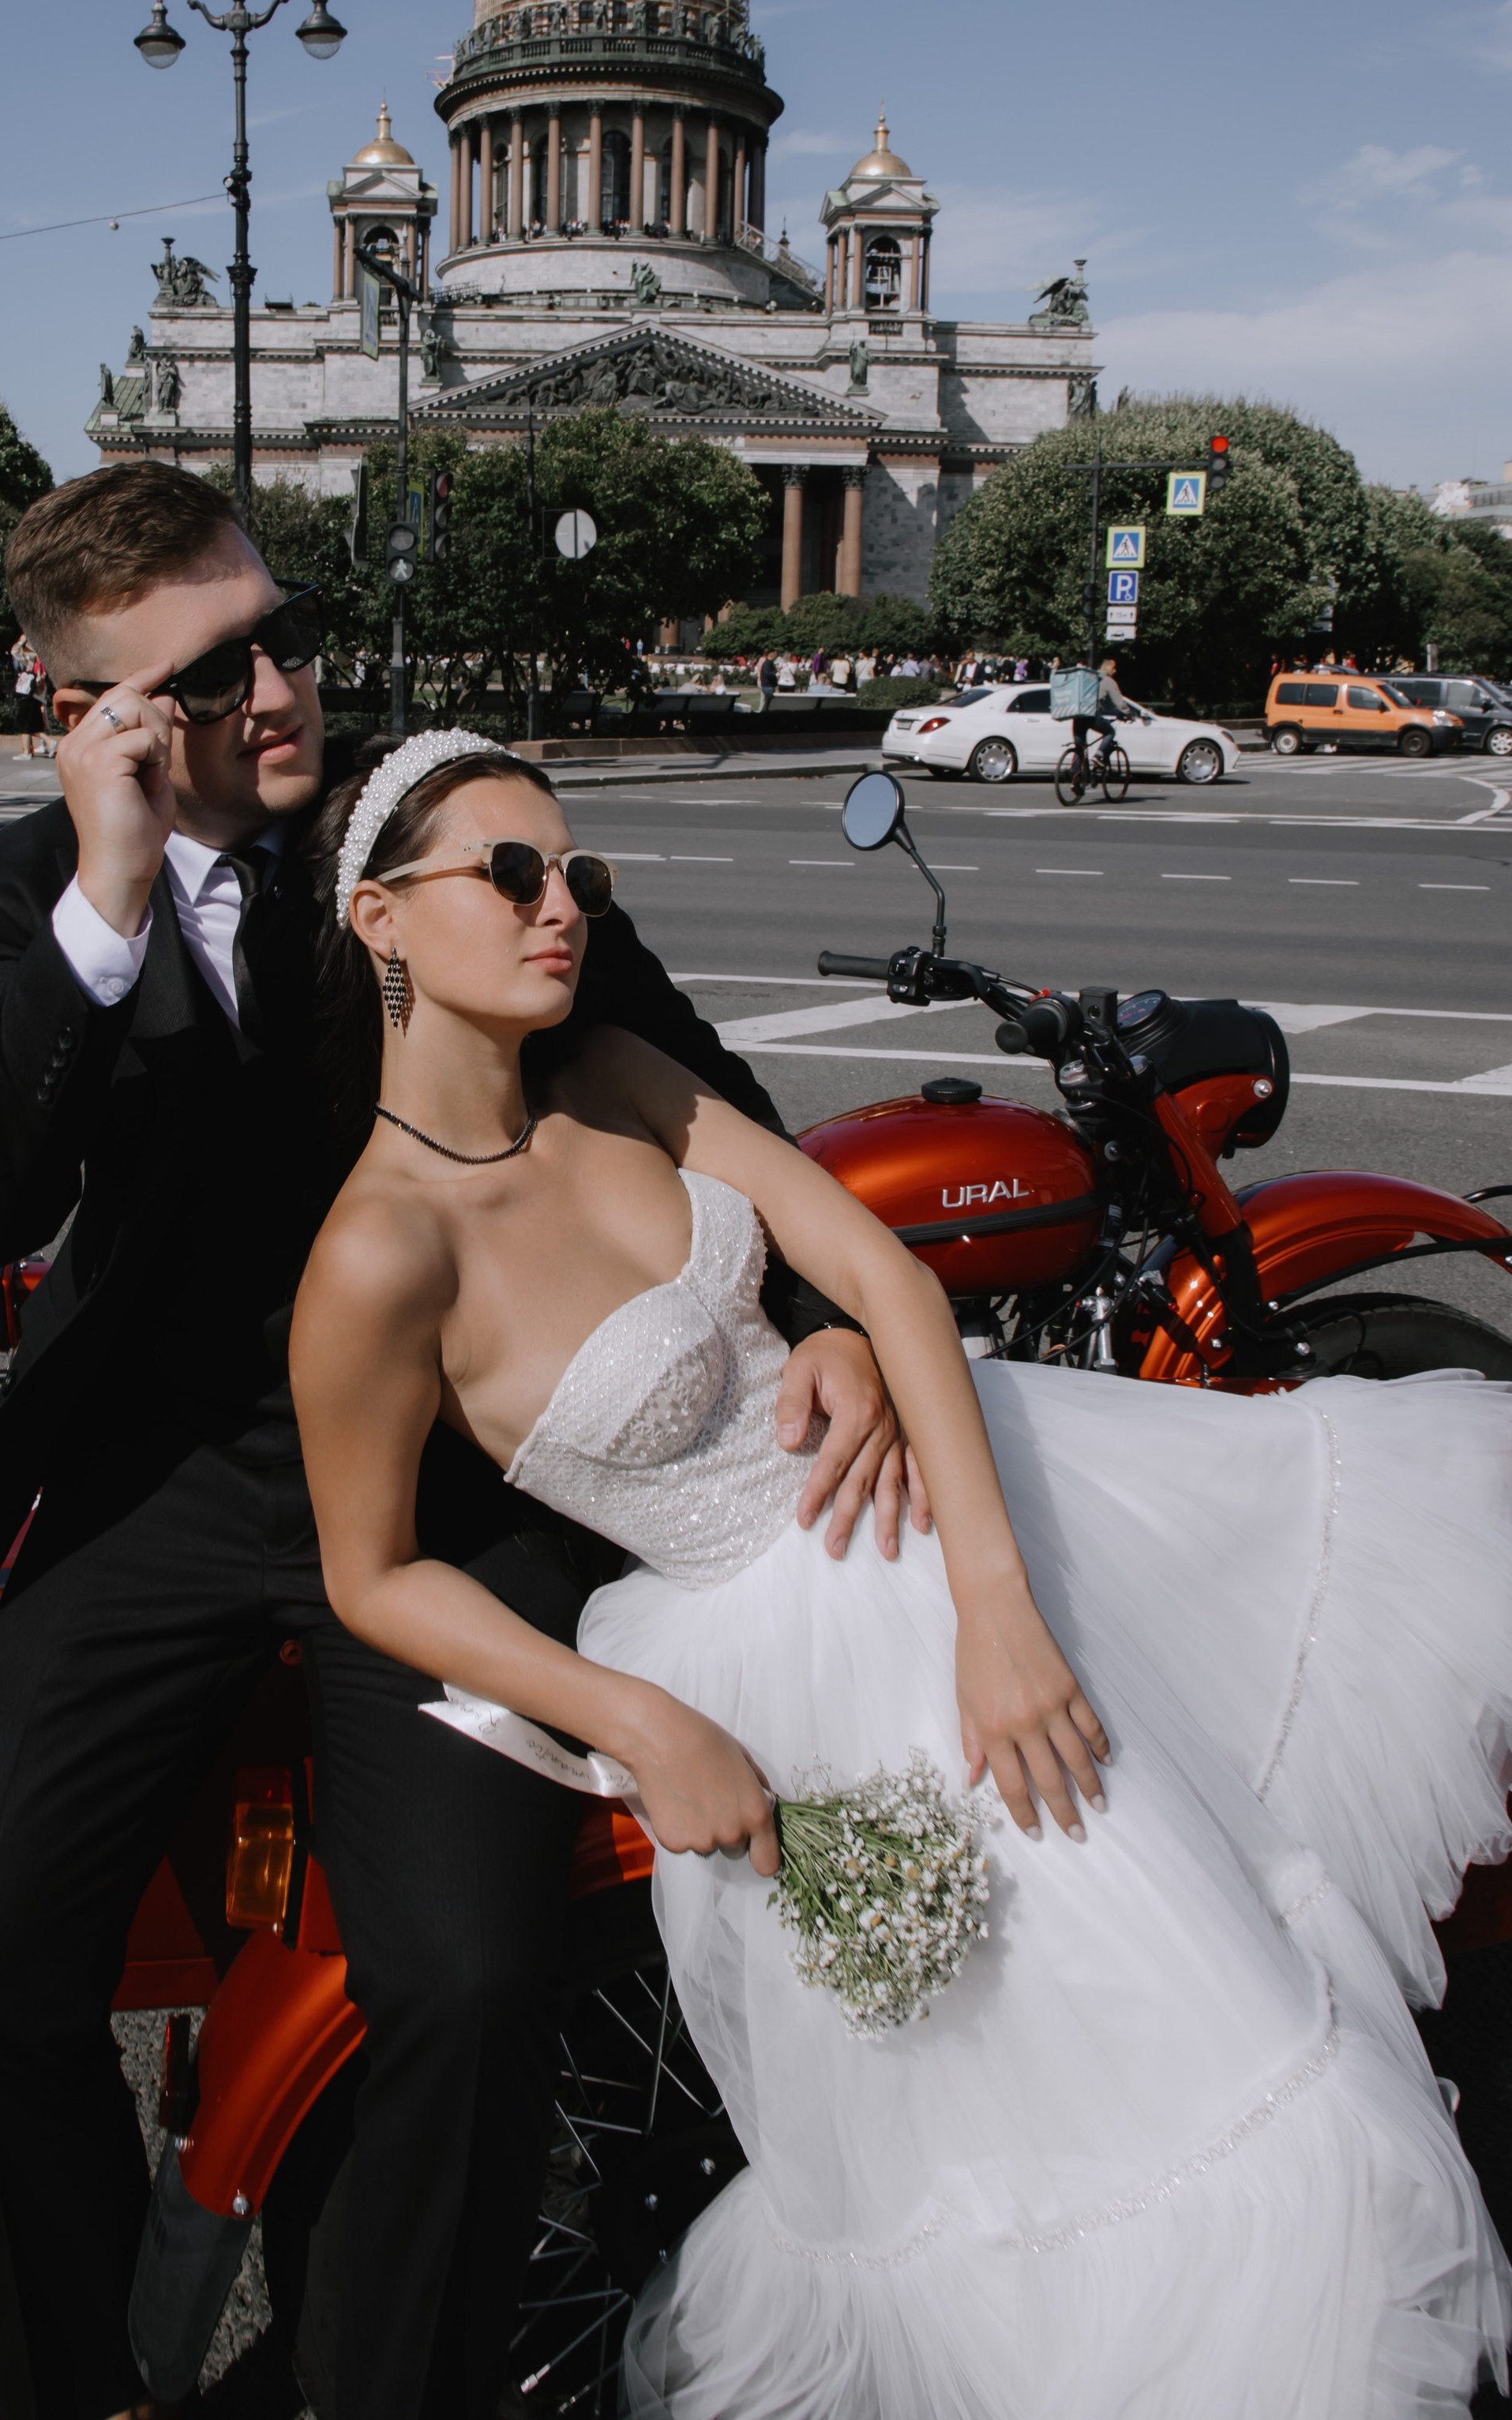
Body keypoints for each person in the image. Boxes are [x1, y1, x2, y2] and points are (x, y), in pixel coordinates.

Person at [292, 735, 1512, 2420]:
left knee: (1202, 1930)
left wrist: (992, 1599)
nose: (558, 906)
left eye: (578, 873)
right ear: (379, 920)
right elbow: (370, 1572)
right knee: (1079, 2050)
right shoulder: (378, 1248)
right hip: (769, 1641)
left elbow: (873, 1268)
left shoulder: (618, 1078)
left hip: (970, 1508)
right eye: (509, 874)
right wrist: (635, 1720)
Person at [0, 462, 905, 2420]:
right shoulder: (27, 892)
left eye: (284, 634)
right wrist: (110, 893)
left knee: (466, 1977)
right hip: (169, 1494)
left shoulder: (437, 846)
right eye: (205, 677)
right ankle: (93, 2387)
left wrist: (826, 1322)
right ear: (92, 716)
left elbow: (715, 1096)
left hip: (458, 1495)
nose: (277, 688)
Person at [10, 633, 50, 758]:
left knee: (26, 723)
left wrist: (21, 642)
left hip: (29, 694)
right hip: (38, 694)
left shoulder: (30, 658)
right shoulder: (40, 658)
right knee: (34, 722)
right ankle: (36, 747)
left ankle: (29, 750)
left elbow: (14, 652)